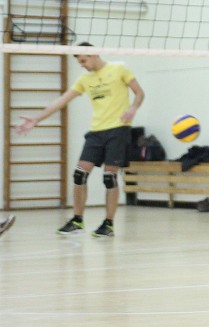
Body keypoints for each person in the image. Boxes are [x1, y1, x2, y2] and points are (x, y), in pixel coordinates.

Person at [16, 43, 145, 238]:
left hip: (118, 129)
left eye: (84, 60)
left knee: (109, 177)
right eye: (79, 62)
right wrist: (36, 119)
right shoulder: (85, 79)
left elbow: (139, 92)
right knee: (79, 174)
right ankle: (77, 220)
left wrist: (133, 108)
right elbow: (62, 100)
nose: (82, 65)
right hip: (96, 132)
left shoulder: (119, 68)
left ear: (93, 54)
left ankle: (108, 224)